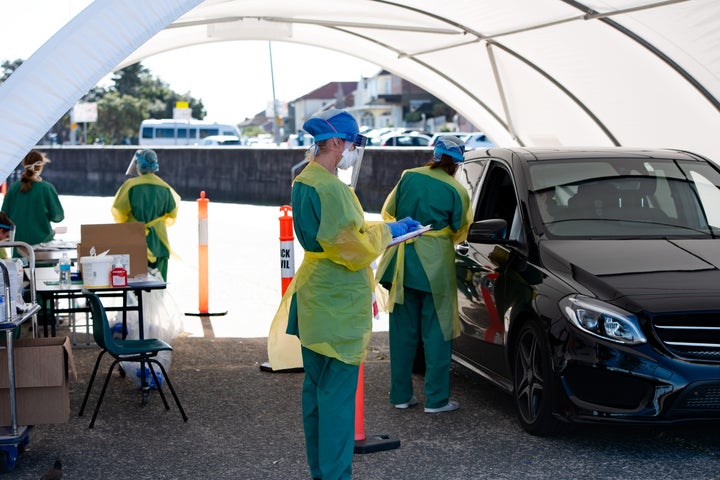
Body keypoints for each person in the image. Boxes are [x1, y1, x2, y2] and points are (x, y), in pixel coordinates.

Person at [270, 109, 419, 480]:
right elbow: (351, 247)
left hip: (314, 298)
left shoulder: (304, 180)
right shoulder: (333, 188)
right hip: (337, 303)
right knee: (337, 401)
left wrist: (380, 228)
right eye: (353, 143)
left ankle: (321, 472)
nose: (354, 150)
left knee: (317, 394)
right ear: (337, 143)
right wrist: (390, 232)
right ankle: (335, 476)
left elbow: (334, 233)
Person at [376, 135, 472, 414]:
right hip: (435, 266)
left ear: (435, 153)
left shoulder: (408, 177)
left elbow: (388, 212)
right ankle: (437, 399)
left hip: (401, 261)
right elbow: (460, 229)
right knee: (437, 332)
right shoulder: (457, 190)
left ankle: (400, 395)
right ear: (457, 164)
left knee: (402, 333)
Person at [111, 149, 180, 281]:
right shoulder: (164, 188)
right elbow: (172, 214)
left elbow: (118, 210)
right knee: (158, 286)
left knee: (134, 287)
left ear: (139, 165)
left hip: (134, 238)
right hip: (159, 242)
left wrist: (131, 221)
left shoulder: (130, 186)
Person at [1, 150, 65, 252]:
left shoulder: (13, 188)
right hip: (42, 245)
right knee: (44, 268)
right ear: (41, 166)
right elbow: (58, 216)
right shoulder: (46, 188)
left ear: (24, 164)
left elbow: (4, 216)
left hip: (19, 245)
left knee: (21, 267)